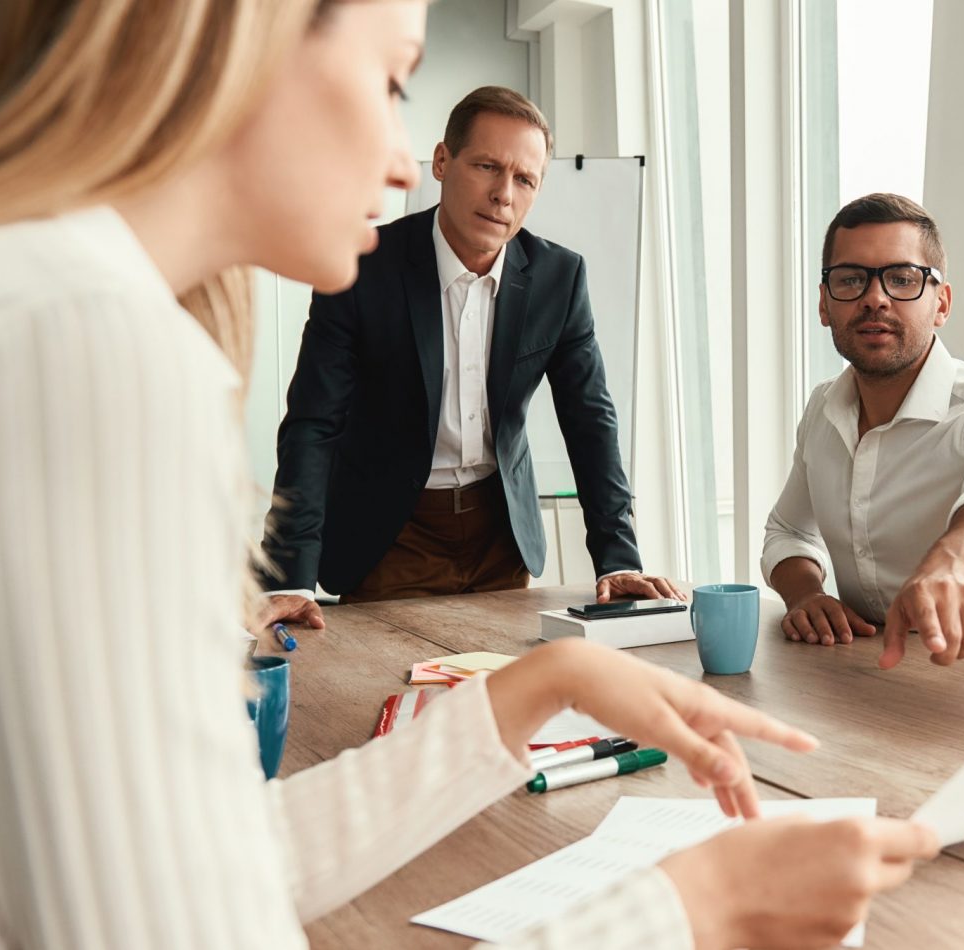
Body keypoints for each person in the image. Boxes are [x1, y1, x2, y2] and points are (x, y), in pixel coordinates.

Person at [0, 3, 937, 948]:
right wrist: (688, 914)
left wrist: (539, 685)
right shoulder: (82, 344)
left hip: (490, 536)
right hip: (389, 534)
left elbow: (205, 858)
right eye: (389, 79)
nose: (395, 158)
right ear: (244, 33)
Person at [257, 84, 679, 632]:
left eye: (524, 179)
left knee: (501, 694)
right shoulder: (362, 270)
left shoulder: (559, 278)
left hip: (499, 533)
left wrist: (619, 556)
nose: (504, 193)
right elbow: (314, 426)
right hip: (391, 533)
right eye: (486, 166)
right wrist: (290, 574)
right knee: (387, 699)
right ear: (441, 161)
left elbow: (590, 421)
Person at [762, 194, 964, 669]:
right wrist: (805, 595)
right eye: (851, 280)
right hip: (853, 678)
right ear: (824, 304)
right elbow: (789, 529)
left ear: (941, 303)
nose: (874, 298)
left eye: (902, 279)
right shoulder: (823, 407)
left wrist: (956, 564)